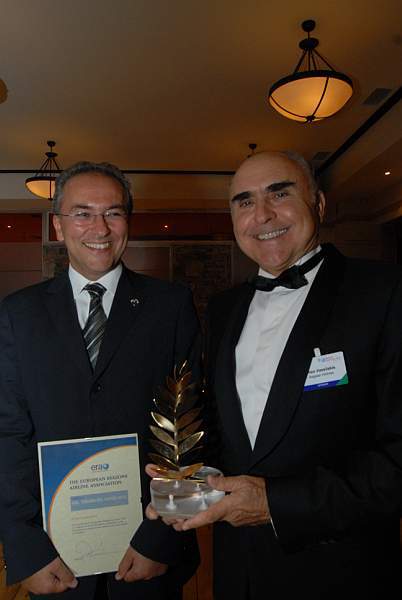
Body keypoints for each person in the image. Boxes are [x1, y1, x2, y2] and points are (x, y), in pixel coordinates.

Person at [147, 151, 402, 599]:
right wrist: (189, 473)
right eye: (244, 202)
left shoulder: (385, 292)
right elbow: (231, 430)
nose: (262, 215)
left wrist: (275, 504)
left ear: (318, 204)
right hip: (238, 571)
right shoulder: (224, 309)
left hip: (339, 573)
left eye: (279, 194)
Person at [0, 161, 200, 600]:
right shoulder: (17, 315)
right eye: (82, 213)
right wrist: (25, 548)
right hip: (54, 557)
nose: (100, 228)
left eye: (113, 212)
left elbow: (190, 428)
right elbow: (7, 435)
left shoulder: (171, 306)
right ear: (58, 225)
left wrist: (161, 537)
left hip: (148, 552)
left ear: (129, 221)